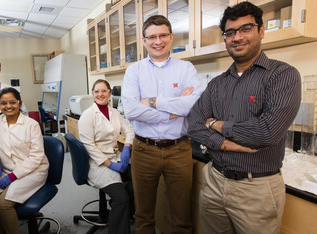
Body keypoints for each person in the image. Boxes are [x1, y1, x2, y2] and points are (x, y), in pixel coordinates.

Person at [187, 2, 301, 233]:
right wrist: (224, 144)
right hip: (214, 180)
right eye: (230, 32)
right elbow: (194, 124)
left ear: (261, 31)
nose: (237, 37)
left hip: (257, 188)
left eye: (245, 29)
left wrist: (214, 123)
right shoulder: (217, 83)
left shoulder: (282, 75)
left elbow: (266, 132)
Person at [122, 15, 202, 234]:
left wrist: (153, 102)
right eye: (152, 36)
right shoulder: (134, 71)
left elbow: (193, 105)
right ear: (144, 40)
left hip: (179, 150)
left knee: (182, 217)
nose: (158, 41)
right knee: (143, 216)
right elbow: (131, 110)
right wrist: (172, 113)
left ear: (171, 37)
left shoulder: (186, 68)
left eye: (163, 35)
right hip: (143, 150)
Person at [0, 87, 49, 234]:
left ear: (20, 104)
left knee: (3, 205)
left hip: (33, 171)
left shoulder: (31, 125)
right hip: (7, 171)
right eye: (3, 103)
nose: (8, 106)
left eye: (12, 102)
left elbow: (36, 157)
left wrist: (14, 176)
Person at [78, 79, 135, 234]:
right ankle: (119, 223)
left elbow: (129, 130)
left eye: (104, 91)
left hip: (115, 156)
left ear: (110, 93)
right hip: (98, 164)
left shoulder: (114, 112)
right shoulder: (87, 116)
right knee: (121, 198)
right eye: (96, 91)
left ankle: (123, 215)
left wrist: (126, 148)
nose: (100, 94)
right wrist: (109, 163)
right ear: (93, 94)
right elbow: (88, 145)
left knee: (138, 182)